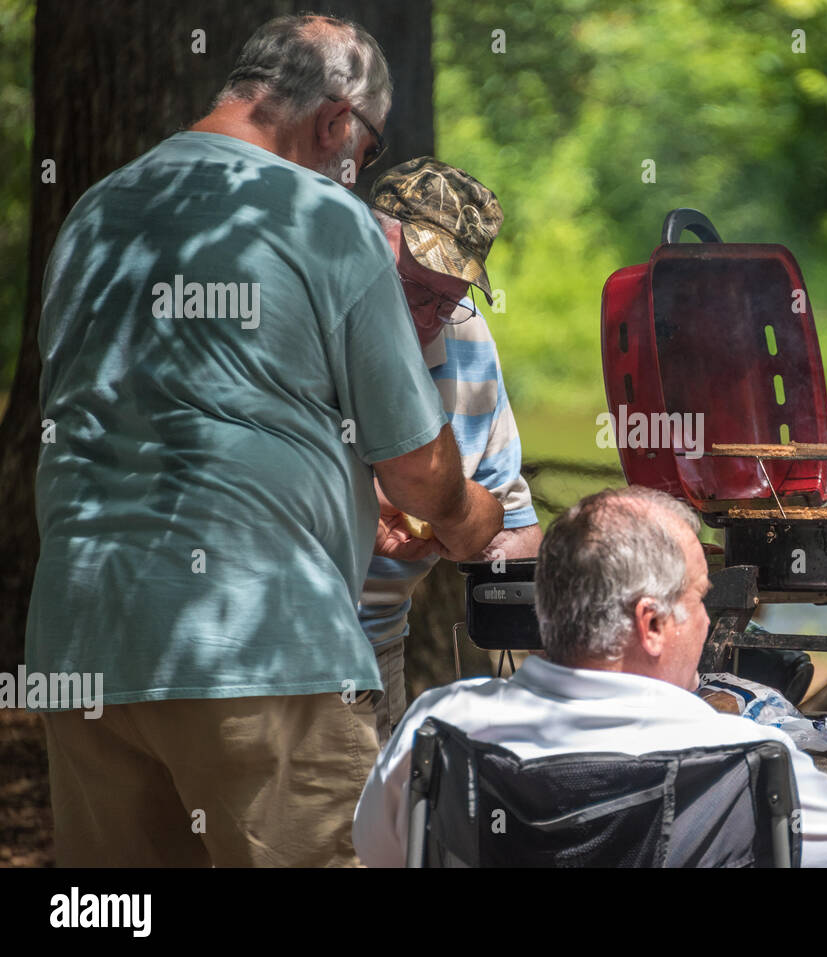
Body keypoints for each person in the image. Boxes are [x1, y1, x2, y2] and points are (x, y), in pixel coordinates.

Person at [28, 14, 503, 867]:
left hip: (81, 645)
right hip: (260, 651)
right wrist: (473, 518)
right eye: (364, 144)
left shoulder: (95, 212)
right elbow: (417, 467)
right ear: (335, 121)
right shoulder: (323, 217)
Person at [353, 485, 827, 867]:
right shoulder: (744, 757)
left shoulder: (442, 726)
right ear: (652, 624)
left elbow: (380, 854)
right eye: (698, 600)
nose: (706, 618)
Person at [361, 158, 542, 742]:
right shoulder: (312, 315)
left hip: (378, 642)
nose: (428, 321)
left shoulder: (465, 335)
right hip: (266, 644)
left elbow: (513, 531)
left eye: (449, 300)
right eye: (415, 291)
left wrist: (467, 524)